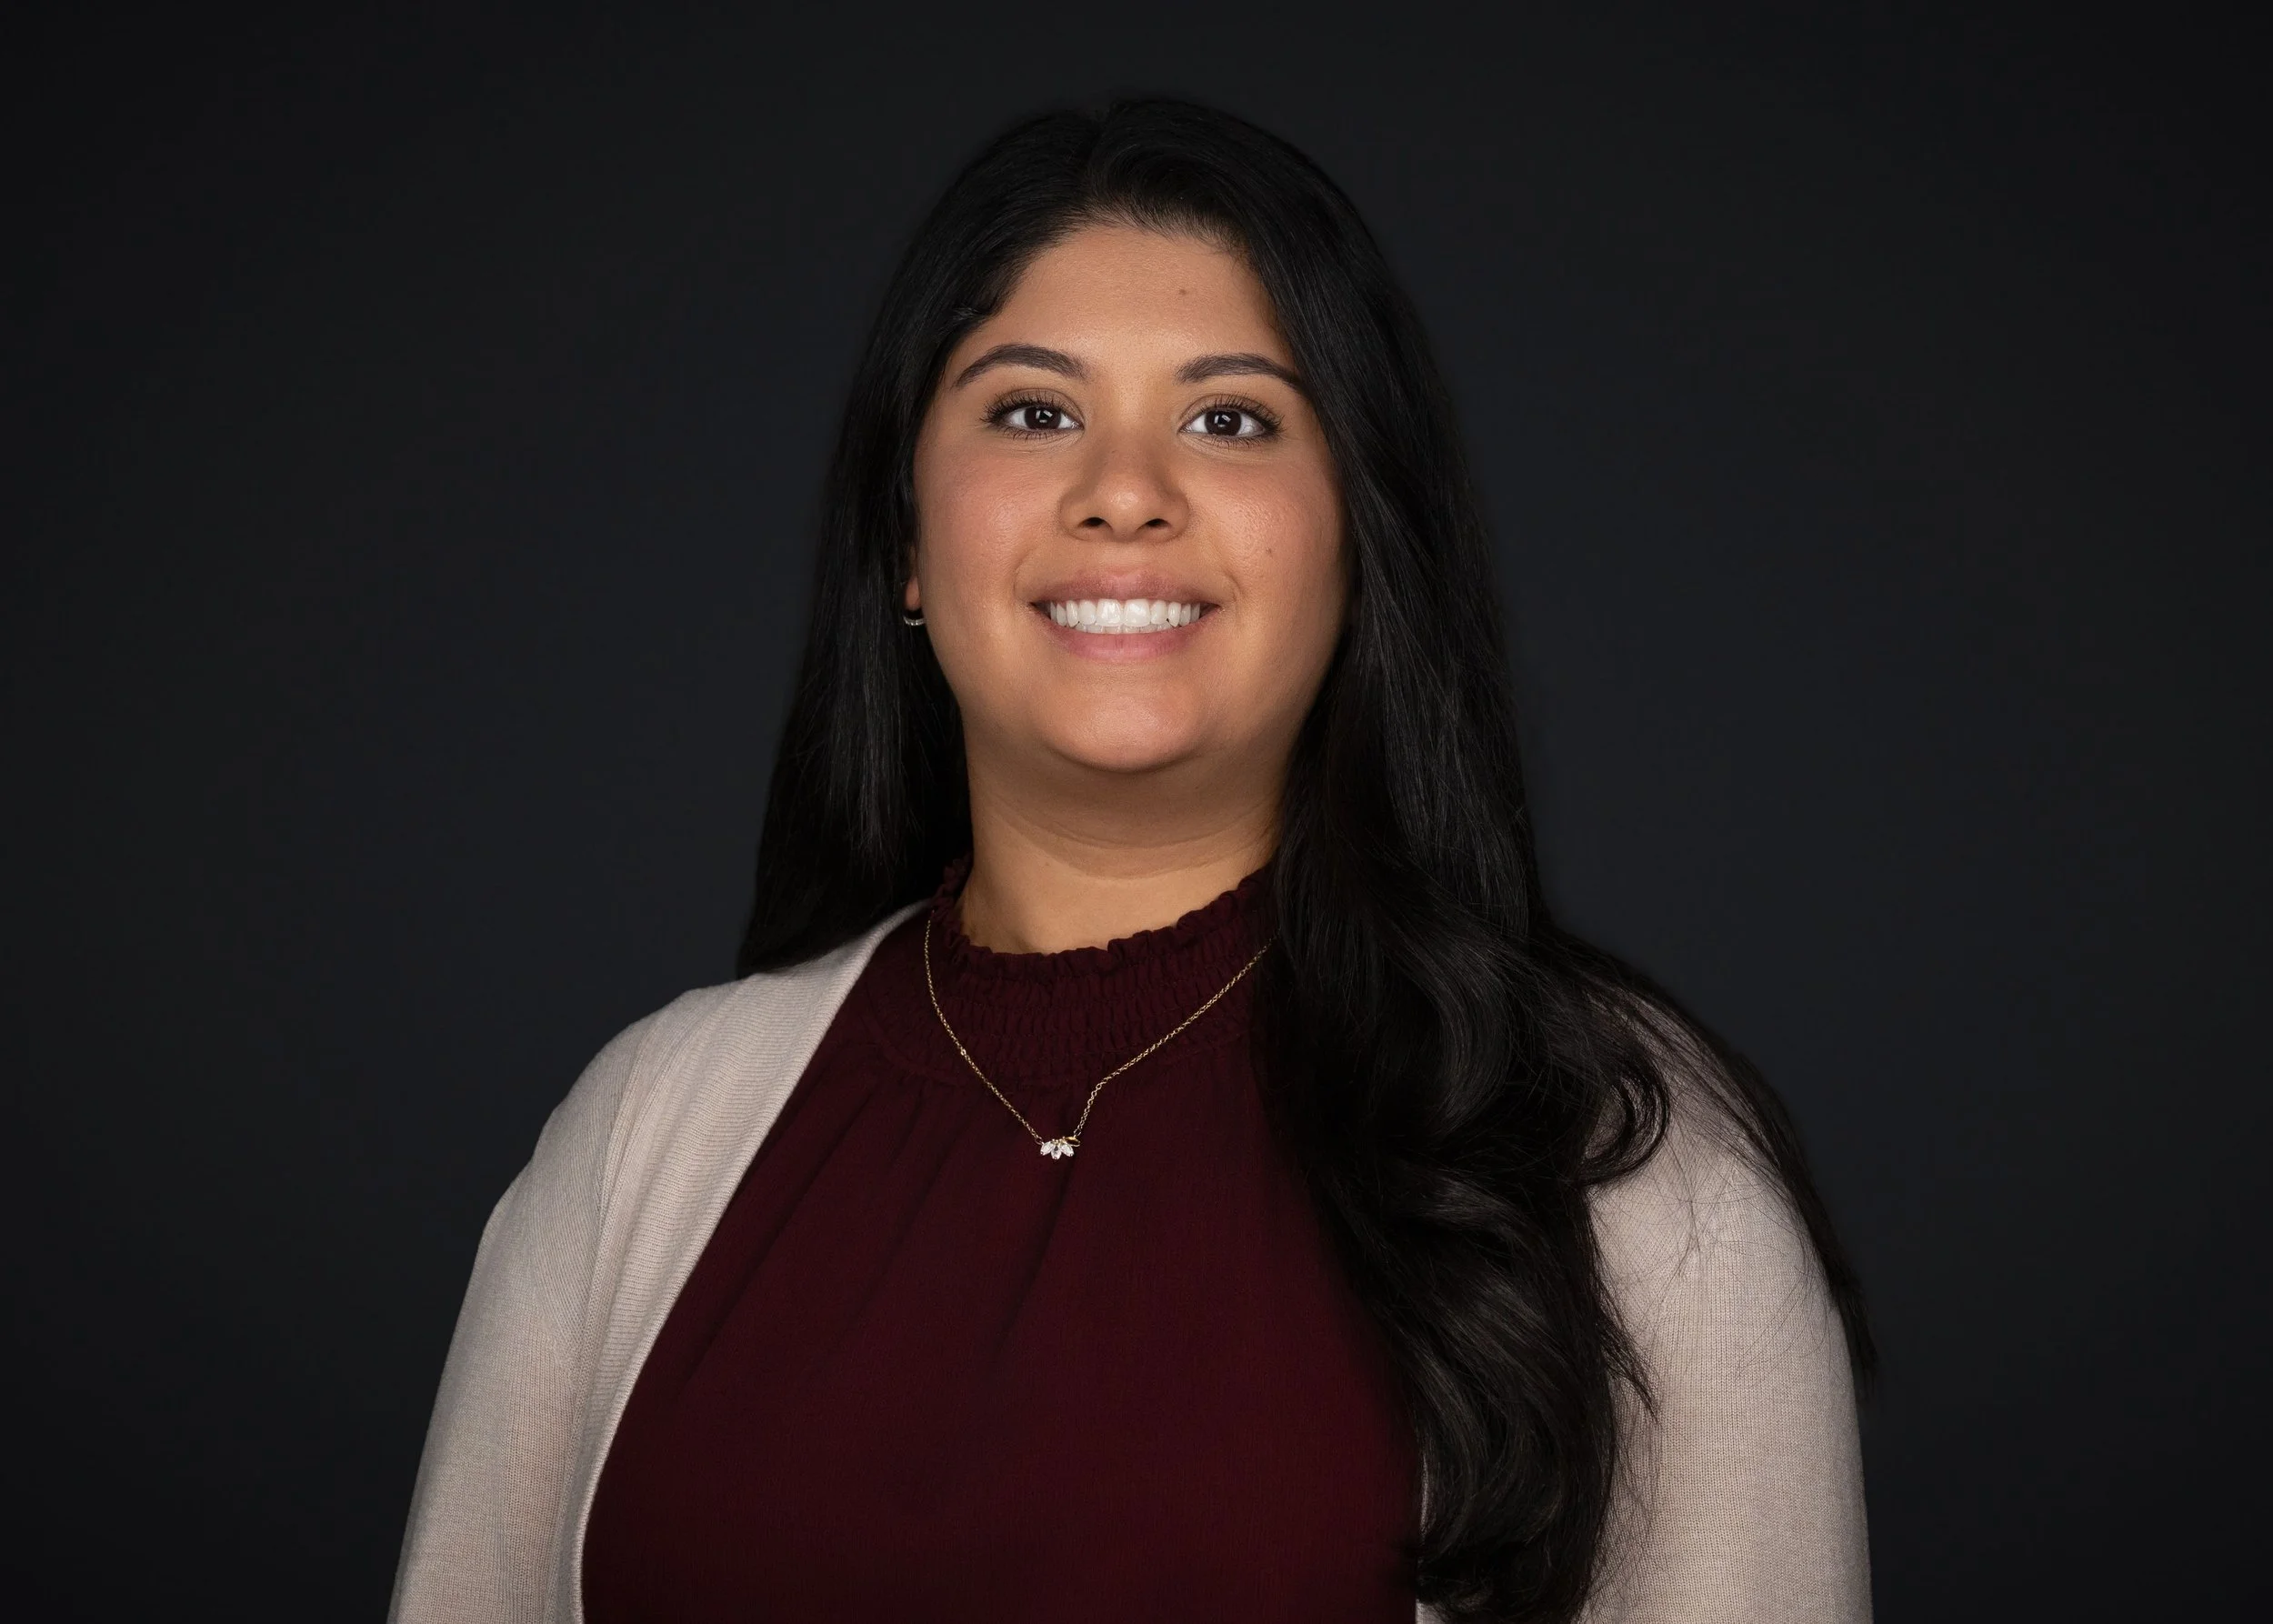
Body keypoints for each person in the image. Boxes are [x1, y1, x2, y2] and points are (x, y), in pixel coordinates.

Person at [389, 99, 1873, 1624]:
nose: (1124, 489)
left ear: (1361, 539)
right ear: (907, 544)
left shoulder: (1621, 1171)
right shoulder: (642, 1134)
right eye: (1033, 411)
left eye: (1230, 420)